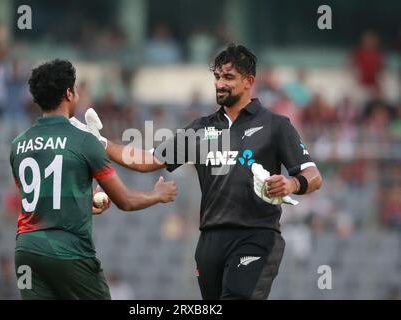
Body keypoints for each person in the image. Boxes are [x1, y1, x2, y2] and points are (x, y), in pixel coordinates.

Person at [73, 44, 322, 299]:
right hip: (210, 241)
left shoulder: (275, 125)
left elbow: (313, 177)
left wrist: (292, 184)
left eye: (228, 77)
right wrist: (101, 144)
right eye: (217, 77)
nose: (220, 84)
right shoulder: (201, 129)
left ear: (249, 81)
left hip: (256, 235)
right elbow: (147, 160)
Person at [9, 59, 177, 300]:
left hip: (26, 250)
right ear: (69, 93)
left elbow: (38, 202)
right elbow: (126, 201)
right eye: (76, 90)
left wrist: (83, 205)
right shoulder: (84, 140)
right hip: (68, 250)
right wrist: (158, 195)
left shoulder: (18, 145)